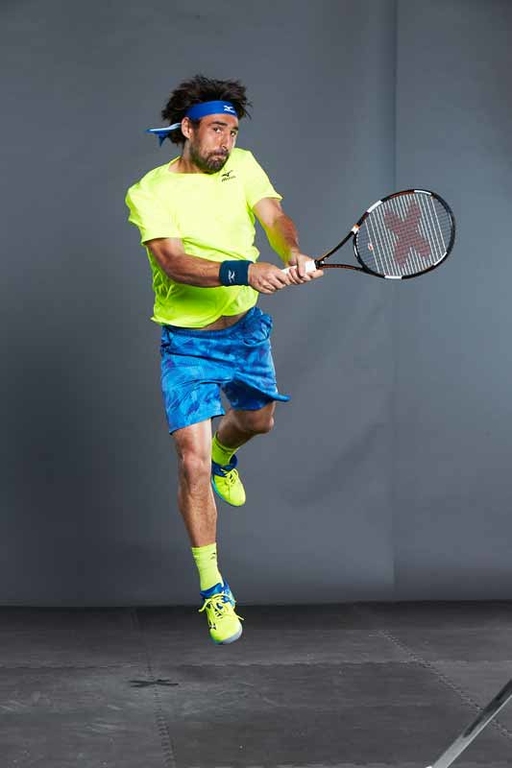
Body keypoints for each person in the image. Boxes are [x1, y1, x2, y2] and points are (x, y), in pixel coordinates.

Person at [125, 74, 322, 645]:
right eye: (215, 129)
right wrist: (246, 270)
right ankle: (214, 589)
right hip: (186, 342)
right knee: (190, 463)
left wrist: (292, 252)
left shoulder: (244, 165)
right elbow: (174, 263)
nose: (225, 142)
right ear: (187, 128)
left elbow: (274, 216)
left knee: (258, 421)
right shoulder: (149, 191)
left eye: (232, 131)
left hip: (244, 331)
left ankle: (226, 455)